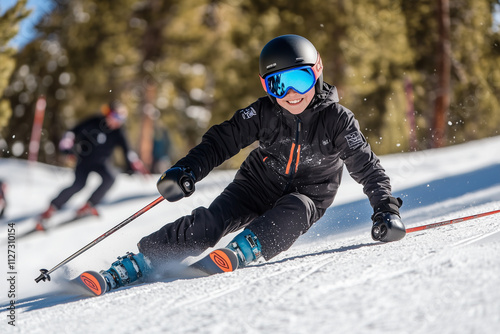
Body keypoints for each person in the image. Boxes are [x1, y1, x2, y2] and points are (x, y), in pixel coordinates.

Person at [96, 35, 406, 292]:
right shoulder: (263, 113)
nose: (293, 94)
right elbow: (221, 140)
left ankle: (246, 247)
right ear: (265, 85)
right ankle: (141, 261)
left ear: (318, 71)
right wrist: (187, 169)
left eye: (300, 78)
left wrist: (385, 209)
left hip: (311, 193)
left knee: (295, 210)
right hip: (255, 185)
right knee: (208, 223)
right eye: (279, 85)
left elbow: (367, 168)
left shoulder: (337, 120)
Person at [37, 101, 148, 230]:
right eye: (116, 117)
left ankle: (88, 206)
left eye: (121, 119)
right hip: (84, 161)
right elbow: (72, 132)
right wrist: (67, 146)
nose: (118, 121)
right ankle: (52, 208)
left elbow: (127, 150)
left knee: (110, 179)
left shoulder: (118, 132)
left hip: (101, 163)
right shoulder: (94, 122)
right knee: (79, 185)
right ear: (108, 113)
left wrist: (134, 163)